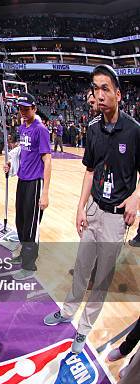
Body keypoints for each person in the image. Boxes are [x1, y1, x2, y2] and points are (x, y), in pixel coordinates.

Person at [43, 65, 139, 354]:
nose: (100, 94)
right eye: (96, 88)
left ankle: (84, 329)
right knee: (82, 269)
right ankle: (68, 311)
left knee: (102, 279)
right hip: (95, 209)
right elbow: (88, 171)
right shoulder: (94, 128)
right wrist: (80, 208)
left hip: (115, 218)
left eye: (105, 88)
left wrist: (136, 197)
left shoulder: (135, 131)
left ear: (118, 94)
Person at [3, 93, 52, 281]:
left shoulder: (41, 130)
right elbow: (21, 153)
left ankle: (29, 266)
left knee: (31, 226)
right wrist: (10, 164)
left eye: (26, 108)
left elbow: (47, 161)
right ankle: (24, 254)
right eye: (21, 108)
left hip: (35, 183)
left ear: (34, 109)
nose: (23, 111)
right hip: (23, 180)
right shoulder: (23, 127)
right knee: (21, 222)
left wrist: (45, 192)